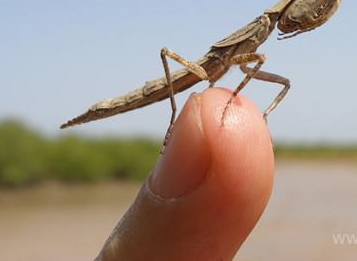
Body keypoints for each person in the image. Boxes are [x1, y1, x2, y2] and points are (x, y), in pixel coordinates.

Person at [96, 87, 275, 260]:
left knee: (284, 81)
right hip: (168, 83)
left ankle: (264, 115)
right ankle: (173, 112)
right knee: (167, 53)